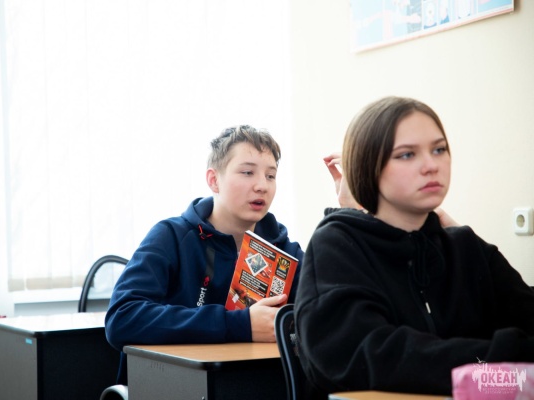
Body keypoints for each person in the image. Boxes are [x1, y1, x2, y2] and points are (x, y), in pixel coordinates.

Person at [295, 96, 534, 397]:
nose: (431, 165)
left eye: (439, 149)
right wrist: (507, 360)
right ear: (367, 166)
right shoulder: (337, 247)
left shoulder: (467, 248)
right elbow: (370, 357)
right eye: (407, 155)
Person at [105, 125, 304, 384]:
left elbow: (332, 315)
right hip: (174, 385)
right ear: (213, 180)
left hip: (254, 383)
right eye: (247, 172)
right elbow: (122, 318)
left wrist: (347, 208)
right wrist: (239, 324)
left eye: (270, 176)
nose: (261, 186)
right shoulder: (171, 236)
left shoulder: (284, 251)